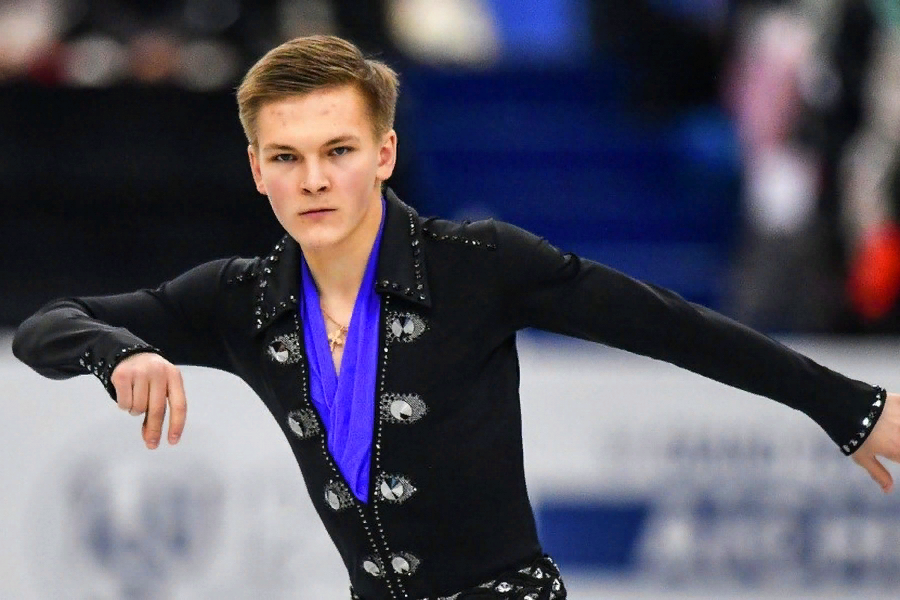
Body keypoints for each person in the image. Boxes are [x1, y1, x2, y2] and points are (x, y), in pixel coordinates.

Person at [11, 35, 900, 600]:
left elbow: (672, 325)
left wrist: (845, 405)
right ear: (256, 170)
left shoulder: (477, 264)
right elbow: (48, 326)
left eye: (338, 150)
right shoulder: (239, 299)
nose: (313, 180)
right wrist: (117, 353)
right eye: (286, 157)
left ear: (384, 153)